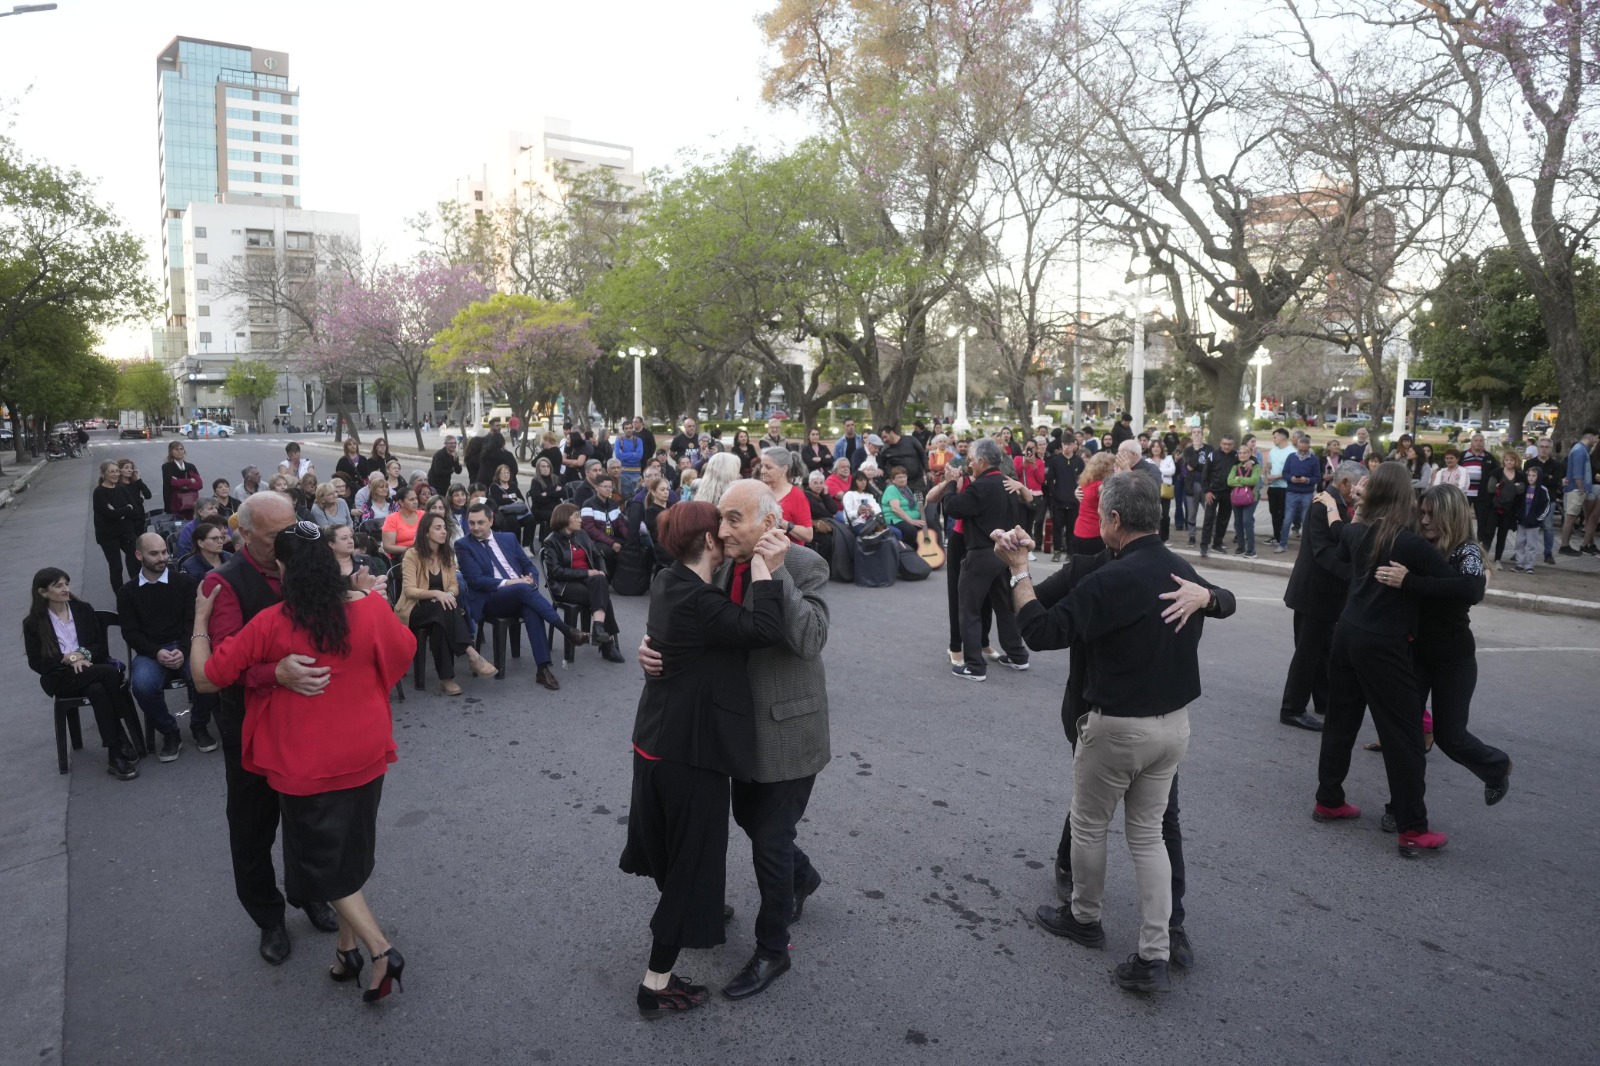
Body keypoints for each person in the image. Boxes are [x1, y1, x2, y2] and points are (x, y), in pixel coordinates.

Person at [998, 472, 1223, 994]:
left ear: (1115, 520)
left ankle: (1084, 918)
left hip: (1117, 727)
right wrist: (1213, 598)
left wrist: (1018, 573)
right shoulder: (1182, 572)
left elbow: (1039, 631)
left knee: (1091, 825)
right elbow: (1215, 600)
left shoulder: (1112, 578)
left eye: (1101, 515)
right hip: (1173, 726)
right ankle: (1155, 953)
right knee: (1149, 836)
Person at [191, 521, 414, 1004]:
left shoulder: (275, 621)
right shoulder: (369, 607)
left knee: (321, 867)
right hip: (367, 749)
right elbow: (402, 654)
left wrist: (199, 624)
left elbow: (207, 677)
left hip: (307, 762)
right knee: (349, 852)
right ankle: (345, 952)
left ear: (286, 567)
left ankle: (381, 950)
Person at [637, 481, 833, 1001]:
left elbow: (810, 638)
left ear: (769, 525)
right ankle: (802, 875)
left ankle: (772, 951)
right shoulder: (720, 564)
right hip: (730, 731)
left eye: (733, 519)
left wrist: (779, 570)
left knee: (768, 837)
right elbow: (695, 618)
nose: (721, 531)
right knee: (752, 821)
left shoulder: (807, 564)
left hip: (786, 729)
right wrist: (650, 647)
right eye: (720, 520)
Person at [621, 501, 790, 1017]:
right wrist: (766, 569)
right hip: (690, 754)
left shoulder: (668, 580)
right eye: (723, 528)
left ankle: (695, 909)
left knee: (674, 856)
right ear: (710, 543)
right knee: (691, 866)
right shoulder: (699, 598)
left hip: (655, 743)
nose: (729, 533)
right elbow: (763, 628)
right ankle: (655, 984)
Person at [200, 492, 350, 963]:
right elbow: (220, 666)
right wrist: (273, 673)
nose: (288, 539)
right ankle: (268, 918)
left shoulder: (303, 561)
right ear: (244, 534)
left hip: (305, 727)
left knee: (308, 823)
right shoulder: (223, 584)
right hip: (249, 728)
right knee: (252, 828)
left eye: (292, 528)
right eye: (274, 534)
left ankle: (312, 895)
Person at [1310, 463, 1462, 855]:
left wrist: (1348, 510)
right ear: (1403, 498)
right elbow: (1457, 585)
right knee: (1404, 734)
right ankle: (1413, 827)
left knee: (1341, 721)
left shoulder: (1358, 533)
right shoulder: (1407, 543)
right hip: (1382, 642)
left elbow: (1341, 539)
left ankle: (1328, 799)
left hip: (1347, 632)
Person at [1374, 483, 1512, 816]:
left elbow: (1471, 589)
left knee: (1451, 737)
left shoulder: (1467, 551)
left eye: (1431, 514)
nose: (1423, 520)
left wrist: (1411, 582)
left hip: (1454, 658)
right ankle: (1402, 809)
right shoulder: (1418, 545)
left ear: (1450, 515)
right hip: (1415, 655)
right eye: (1420, 513)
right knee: (1408, 737)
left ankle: (1496, 766)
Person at [24, 568, 142, 780]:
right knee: (110, 675)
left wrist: (82, 654)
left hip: (91, 671)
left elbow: (99, 647)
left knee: (98, 689)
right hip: (60, 677)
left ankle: (114, 753)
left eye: (66, 584)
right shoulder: (33, 623)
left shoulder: (82, 609)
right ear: (43, 592)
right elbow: (37, 663)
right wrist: (69, 659)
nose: (65, 589)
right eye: (58, 586)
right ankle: (121, 734)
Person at [456, 503, 586, 691]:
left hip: (520, 593)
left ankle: (543, 668)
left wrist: (531, 579)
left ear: (491, 521)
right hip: (491, 599)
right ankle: (566, 630)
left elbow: (528, 565)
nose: (475, 527)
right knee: (524, 591)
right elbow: (476, 581)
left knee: (530, 606)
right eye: (471, 523)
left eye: (480, 523)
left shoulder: (508, 538)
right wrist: (513, 583)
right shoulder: (463, 545)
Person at [1278, 461, 1366, 731]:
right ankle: (1292, 708)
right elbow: (1324, 552)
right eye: (1361, 485)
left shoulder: (1338, 504)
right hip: (1313, 593)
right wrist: (1356, 574)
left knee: (1324, 651)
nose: (1363, 490)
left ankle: (1324, 701)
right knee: (1308, 653)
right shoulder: (1322, 506)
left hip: (1328, 595)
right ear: (1345, 484)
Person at [118, 533, 211, 761]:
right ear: (139, 555)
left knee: (208, 675)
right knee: (142, 686)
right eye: (154, 553)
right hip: (151, 652)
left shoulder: (184, 583)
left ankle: (199, 726)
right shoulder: (127, 592)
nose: (162, 558)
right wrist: (157, 652)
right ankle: (170, 732)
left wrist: (183, 648)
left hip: (186, 645)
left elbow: (193, 621)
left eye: (164, 552)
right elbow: (130, 632)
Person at [944, 438, 1031, 680]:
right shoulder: (1007, 483)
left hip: (981, 553)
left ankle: (974, 666)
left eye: (972, 460)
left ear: (982, 461)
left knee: (969, 608)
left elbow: (953, 507)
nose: (970, 465)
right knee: (1004, 607)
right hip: (1004, 553)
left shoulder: (980, 486)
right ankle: (1017, 655)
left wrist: (951, 484)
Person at [395, 512, 499, 695]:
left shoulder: (447, 555)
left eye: (444, 528)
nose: (444, 532)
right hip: (414, 609)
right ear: (426, 532)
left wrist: (448, 594)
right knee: (442, 607)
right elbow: (410, 591)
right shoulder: (412, 554)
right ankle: (472, 654)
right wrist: (437, 593)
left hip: (438, 610)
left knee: (441, 618)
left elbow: (453, 585)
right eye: (438, 528)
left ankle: (447, 679)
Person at [542, 503, 626, 660]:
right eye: (577, 516)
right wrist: (587, 572)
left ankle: (598, 629)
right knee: (602, 596)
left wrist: (602, 572)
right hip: (565, 585)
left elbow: (598, 556)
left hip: (590, 581)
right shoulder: (551, 541)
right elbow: (556, 572)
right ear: (564, 519)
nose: (581, 519)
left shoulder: (581, 535)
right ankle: (607, 644)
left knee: (600, 582)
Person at [93, 460, 141, 589]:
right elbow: (109, 514)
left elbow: (135, 510)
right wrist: (126, 508)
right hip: (108, 535)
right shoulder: (99, 492)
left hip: (126, 531)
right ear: (103, 474)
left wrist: (119, 511)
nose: (115, 474)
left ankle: (137, 589)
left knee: (136, 559)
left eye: (117, 471)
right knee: (116, 567)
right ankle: (120, 596)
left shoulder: (121, 488)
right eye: (111, 471)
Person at [758, 447, 814, 545]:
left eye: (768, 467)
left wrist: (782, 522)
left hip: (788, 555)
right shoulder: (760, 490)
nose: (762, 471)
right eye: (761, 466)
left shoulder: (797, 496)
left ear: (784, 469)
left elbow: (808, 535)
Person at [1277, 432, 1321, 554]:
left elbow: (1317, 477)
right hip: (1291, 492)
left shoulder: (1314, 459)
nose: (1302, 452)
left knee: (1305, 520)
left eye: (1304, 450)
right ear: (1298, 446)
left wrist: (1306, 480)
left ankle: (1306, 548)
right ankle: (1282, 544)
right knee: (1287, 520)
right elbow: (1285, 473)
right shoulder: (1291, 457)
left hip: (1306, 493)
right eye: (1300, 449)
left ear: (1308, 447)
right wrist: (1291, 479)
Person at [1558, 427, 1598, 556]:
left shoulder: (1581, 449)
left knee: (1572, 517)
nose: (1596, 441)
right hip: (1576, 489)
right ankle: (1564, 545)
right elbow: (1577, 473)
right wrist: (1581, 488)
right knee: (1570, 518)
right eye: (1596, 437)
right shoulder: (1580, 450)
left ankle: (1566, 545)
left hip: (1576, 488)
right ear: (1590, 436)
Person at [1197, 435, 1238, 557]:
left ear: (1233, 445)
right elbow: (1205, 474)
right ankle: (1204, 546)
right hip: (1212, 493)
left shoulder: (1236, 456)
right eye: (1224, 444)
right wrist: (1207, 491)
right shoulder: (1212, 455)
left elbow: (1250, 459)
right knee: (1208, 519)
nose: (1226, 446)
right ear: (1220, 443)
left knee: (1223, 520)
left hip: (1228, 493)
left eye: (1229, 444)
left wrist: (1252, 461)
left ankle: (1217, 544)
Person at [1072, 451, 1117, 557]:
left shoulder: (1085, 483)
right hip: (1094, 533)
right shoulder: (1101, 487)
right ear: (1105, 468)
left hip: (1079, 530)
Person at [1485, 451, 1524, 569]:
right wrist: (1512, 487)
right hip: (1495, 507)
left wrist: (1503, 486)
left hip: (1509, 510)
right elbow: (1491, 488)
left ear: (1516, 461)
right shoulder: (1496, 472)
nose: (1509, 462)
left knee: (1502, 535)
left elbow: (1521, 490)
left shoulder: (1520, 475)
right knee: (1489, 533)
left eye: (1512, 460)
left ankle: (1498, 560)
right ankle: (1483, 558)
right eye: (1507, 460)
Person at [1457, 432, 1497, 546]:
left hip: (1482, 494)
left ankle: (1480, 545)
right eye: (1476, 440)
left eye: (1481, 440)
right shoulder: (1463, 455)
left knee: (1482, 520)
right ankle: (1462, 541)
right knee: (1462, 518)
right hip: (1465, 492)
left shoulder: (1489, 457)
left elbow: (1496, 473)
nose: (1478, 443)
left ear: (1484, 443)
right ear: (1472, 442)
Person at [580, 475, 626, 573]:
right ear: (596, 488)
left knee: (630, 547)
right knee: (608, 551)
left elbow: (621, 524)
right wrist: (612, 543)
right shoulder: (588, 504)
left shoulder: (614, 503)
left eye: (610, 487)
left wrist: (629, 538)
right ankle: (608, 576)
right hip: (596, 541)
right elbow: (590, 530)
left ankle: (621, 578)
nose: (608, 489)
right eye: (605, 487)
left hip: (612, 537)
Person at [1510, 464, 1550, 573]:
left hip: (1534, 523)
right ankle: (1519, 564)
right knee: (1519, 543)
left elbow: (1546, 506)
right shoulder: (1524, 488)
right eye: (1529, 475)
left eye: (1534, 475)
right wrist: (1517, 515)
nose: (1531, 478)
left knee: (1531, 545)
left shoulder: (1542, 490)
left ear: (1539, 477)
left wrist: (1538, 519)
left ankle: (1529, 565)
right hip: (1522, 521)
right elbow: (1518, 503)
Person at [1227, 440, 1262, 558]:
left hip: (1251, 498)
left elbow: (1254, 480)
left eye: (1245, 452)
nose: (1242, 455)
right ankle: (1240, 547)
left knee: (1247, 521)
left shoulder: (1255, 466)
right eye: (1240, 453)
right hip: (1236, 498)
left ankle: (1251, 549)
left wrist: (1239, 480)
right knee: (1238, 523)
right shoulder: (1234, 466)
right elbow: (1229, 481)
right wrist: (1242, 482)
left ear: (1249, 454)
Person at [524, 456, 565, 549]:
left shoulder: (555, 478)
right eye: (543, 466)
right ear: (538, 468)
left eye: (548, 466)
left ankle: (561, 540)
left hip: (554, 507)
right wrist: (555, 492)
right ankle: (547, 544)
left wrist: (547, 493)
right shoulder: (535, 481)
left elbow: (563, 493)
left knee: (566, 515)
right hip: (539, 509)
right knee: (554, 516)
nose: (546, 469)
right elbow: (538, 498)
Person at [881, 465, 928, 544]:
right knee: (911, 531)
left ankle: (920, 552)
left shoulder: (906, 489)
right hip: (896, 519)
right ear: (893, 480)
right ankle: (904, 551)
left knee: (929, 527)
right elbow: (896, 509)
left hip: (908, 518)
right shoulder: (891, 489)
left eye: (904, 476)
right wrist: (911, 521)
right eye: (899, 477)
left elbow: (916, 506)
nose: (903, 479)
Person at [1014, 441, 1047, 550]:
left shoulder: (1039, 462)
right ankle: (1019, 545)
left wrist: (1034, 465)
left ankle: (1029, 546)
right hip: (1021, 495)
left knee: (1032, 522)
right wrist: (1024, 465)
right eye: (1028, 447)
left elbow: (1041, 480)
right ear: (1024, 448)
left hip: (1035, 496)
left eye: (1033, 448)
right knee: (1021, 522)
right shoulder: (1018, 459)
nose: (1030, 450)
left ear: (1036, 449)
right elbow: (1015, 475)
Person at [161, 440, 204, 519]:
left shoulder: (190, 466)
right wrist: (190, 480)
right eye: (176, 449)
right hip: (175, 504)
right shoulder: (167, 467)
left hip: (191, 503)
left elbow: (199, 484)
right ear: (171, 452)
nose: (179, 451)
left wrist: (186, 486)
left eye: (181, 449)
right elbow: (174, 482)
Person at [1265, 428, 1293, 544]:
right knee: (1273, 512)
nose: (1273, 440)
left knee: (1283, 514)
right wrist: (1267, 475)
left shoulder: (1291, 452)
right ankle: (1276, 536)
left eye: (1275, 437)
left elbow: (1291, 471)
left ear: (1282, 437)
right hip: (1273, 488)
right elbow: (1268, 466)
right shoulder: (1273, 451)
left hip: (1285, 488)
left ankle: (1283, 537)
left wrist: (1275, 476)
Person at [182, 518, 233, 582]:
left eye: (221, 538)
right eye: (215, 538)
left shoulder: (231, 559)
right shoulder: (189, 567)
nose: (220, 541)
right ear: (201, 543)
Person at [380, 485, 423, 558]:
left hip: (423, 552)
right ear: (401, 502)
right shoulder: (392, 519)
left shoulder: (423, 515)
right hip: (401, 556)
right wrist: (410, 550)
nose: (415, 502)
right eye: (411, 500)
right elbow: (387, 547)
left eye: (416, 498)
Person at [840, 469, 886, 535]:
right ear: (854, 481)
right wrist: (858, 512)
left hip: (872, 522)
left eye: (865, 480)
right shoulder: (849, 494)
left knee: (895, 532)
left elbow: (878, 510)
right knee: (879, 534)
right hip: (857, 524)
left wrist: (872, 511)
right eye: (860, 480)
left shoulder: (869, 495)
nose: (863, 482)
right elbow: (847, 516)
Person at [1150, 439, 1176, 542]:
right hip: (1152, 490)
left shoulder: (1168, 458)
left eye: (1157, 447)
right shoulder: (1148, 460)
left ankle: (1164, 538)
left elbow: (1172, 471)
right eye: (1153, 447)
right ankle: (1154, 536)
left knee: (1165, 515)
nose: (1155, 449)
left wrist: (1157, 471)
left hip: (1165, 490)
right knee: (1153, 514)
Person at [616, 421, 646, 496]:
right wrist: (633, 454)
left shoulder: (638, 440)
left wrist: (624, 455)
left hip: (636, 473)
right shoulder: (619, 441)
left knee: (637, 494)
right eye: (626, 428)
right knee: (625, 495)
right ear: (623, 430)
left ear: (632, 429)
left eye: (630, 428)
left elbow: (639, 456)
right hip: (623, 473)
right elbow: (618, 455)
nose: (628, 430)